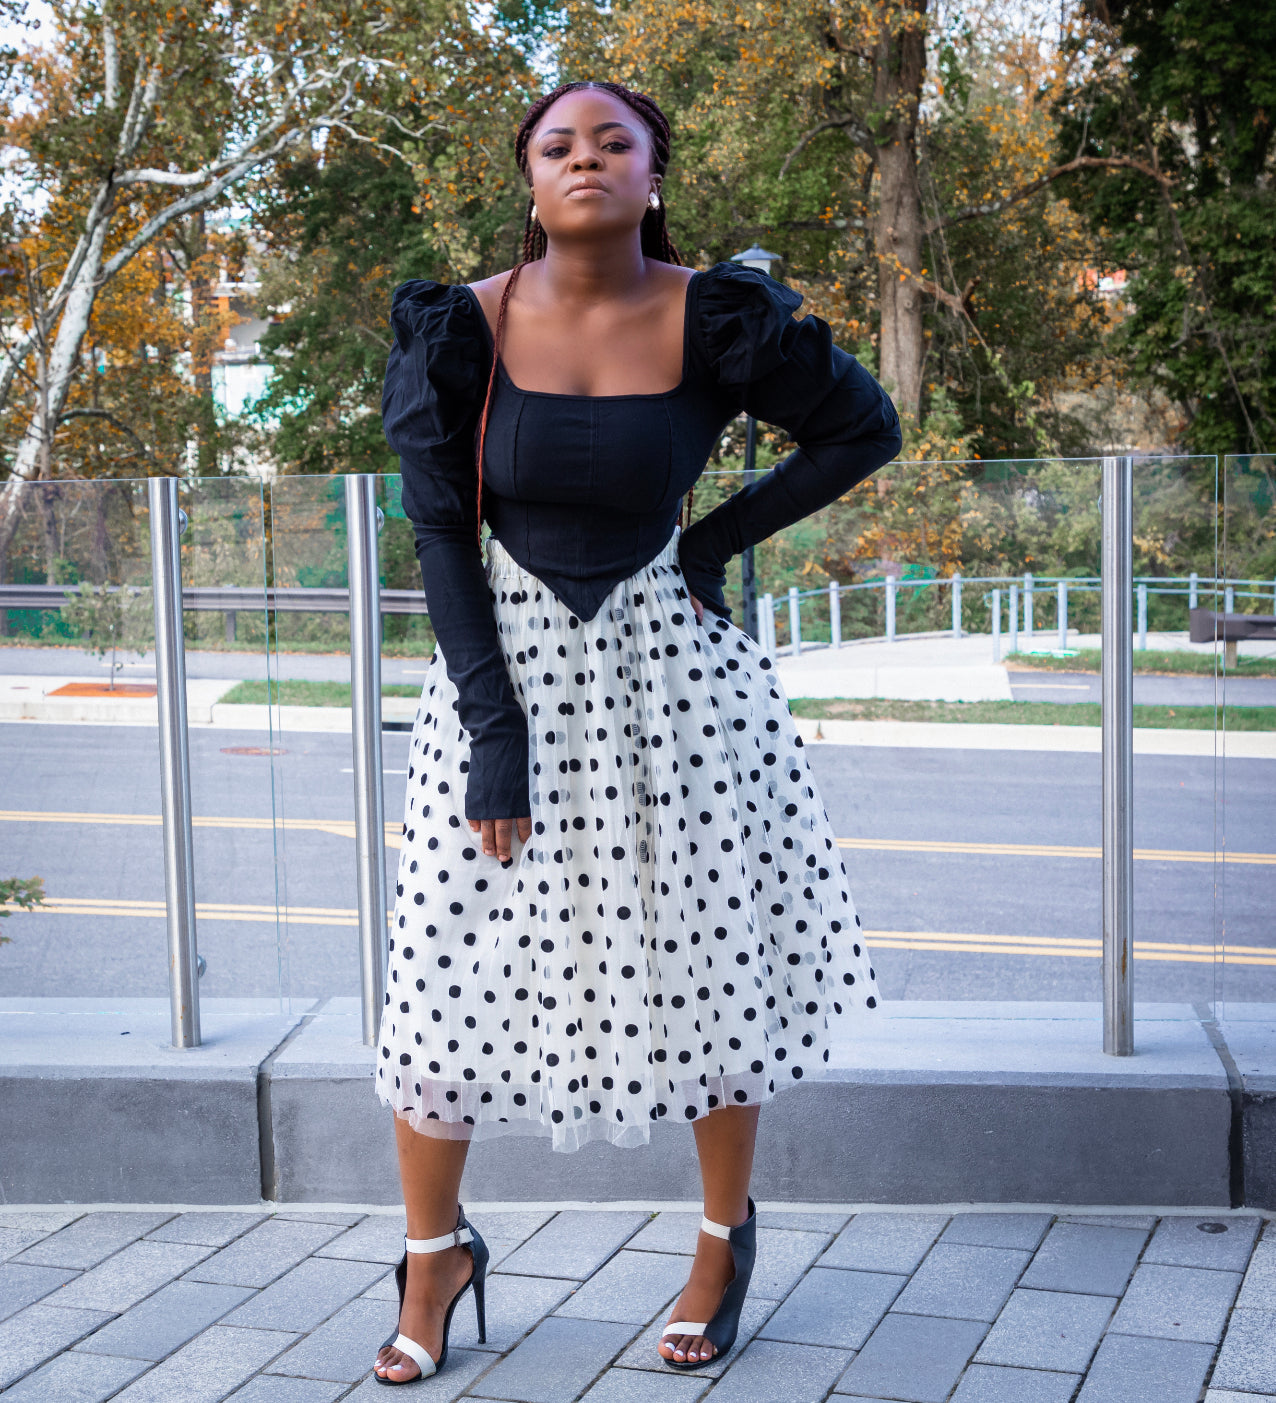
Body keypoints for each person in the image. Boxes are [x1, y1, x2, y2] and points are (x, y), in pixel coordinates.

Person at [371, 79, 902, 1387]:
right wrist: (495, 730)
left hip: (682, 685)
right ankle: (432, 1254)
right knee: (443, 977)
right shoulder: (463, 328)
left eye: (615, 141)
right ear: (530, 180)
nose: (587, 159)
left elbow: (862, 427)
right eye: (559, 145)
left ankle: (721, 1243)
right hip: (505, 687)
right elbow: (441, 532)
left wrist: (712, 541)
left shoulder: (716, 314)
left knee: (706, 962)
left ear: (654, 174)